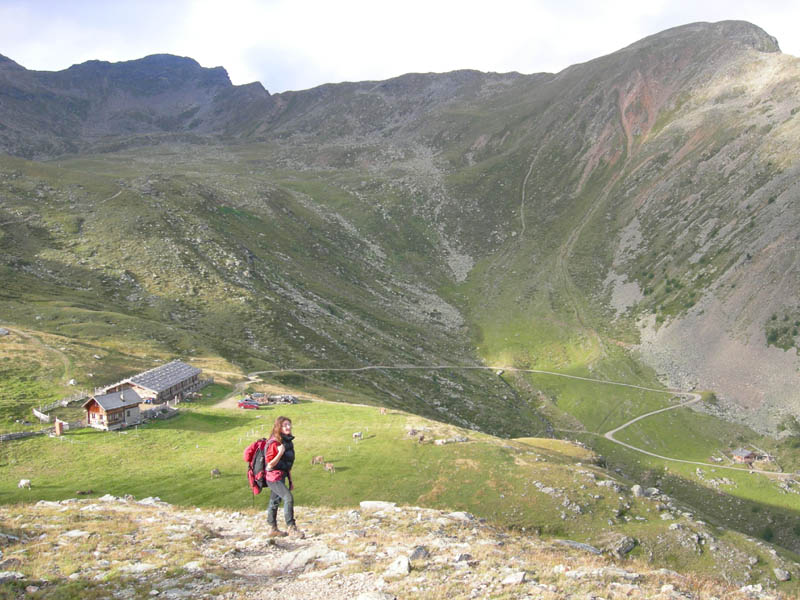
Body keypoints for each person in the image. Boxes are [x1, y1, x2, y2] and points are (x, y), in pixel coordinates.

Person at [265, 416, 303, 538]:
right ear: (279, 427)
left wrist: (290, 480)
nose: (288, 427)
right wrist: (280, 452)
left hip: (281, 475)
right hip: (273, 477)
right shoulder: (275, 442)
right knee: (288, 498)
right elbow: (270, 464)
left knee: (274, 501)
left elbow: (287, 464)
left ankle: (272, 529)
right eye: (285, 425)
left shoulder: (286, 441)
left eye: (289, 424)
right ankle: (291, 528)